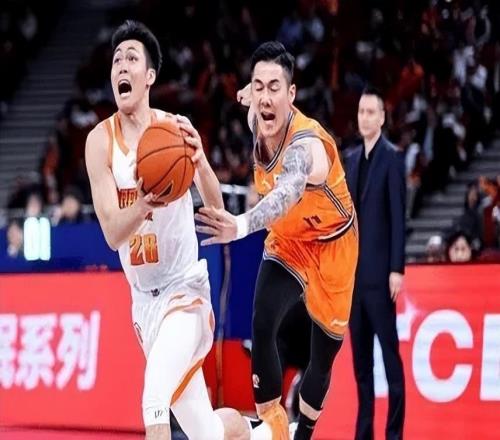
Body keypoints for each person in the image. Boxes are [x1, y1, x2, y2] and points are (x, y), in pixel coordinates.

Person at [85, 20, 256, 440]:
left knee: (154, 398)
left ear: (149, 76)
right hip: (144, 305)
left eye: (131, 58)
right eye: (116, 60)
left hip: (185, 291)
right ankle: (266, 433)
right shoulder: (100, 142)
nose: (121, 66)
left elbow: (216, 206)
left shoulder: (174, 130)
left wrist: (201, 162)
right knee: (207, 433)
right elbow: (112, 234)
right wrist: (144, 204)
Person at [195, 41, 359, 440]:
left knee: (323, 357)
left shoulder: (307, 146)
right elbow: (253, 99)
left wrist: (240, 225)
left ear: (292, 94)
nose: (265, 97)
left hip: (332, 243)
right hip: (290, 240)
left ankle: (304, 434)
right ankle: (275, 427)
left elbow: (287, 192)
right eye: (259, 87)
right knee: (263, 320)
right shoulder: (257, 116)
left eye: (275, 88)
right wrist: (248, 93)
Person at [343, 87, 406, 440]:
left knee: (391, 362)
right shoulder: (351, 159)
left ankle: (394, 433)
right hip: (353, 282)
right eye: (361, 111)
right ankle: (364, 433)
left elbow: (398, 217)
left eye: (371, 112)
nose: (364, 117)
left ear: (382, 118)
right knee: (361, 367)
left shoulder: (392, 158)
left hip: (381, 278)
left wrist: (397, 269)